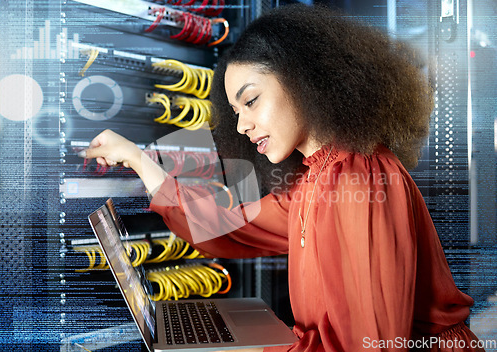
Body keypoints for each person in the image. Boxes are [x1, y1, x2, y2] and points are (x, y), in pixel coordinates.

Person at [79, 4, 486, 351]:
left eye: (251, 100)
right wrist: (137, 158)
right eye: (236, 112)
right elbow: (229, 226)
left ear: (303, 81)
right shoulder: (315, 182)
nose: (241, 126)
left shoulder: (359, 178)